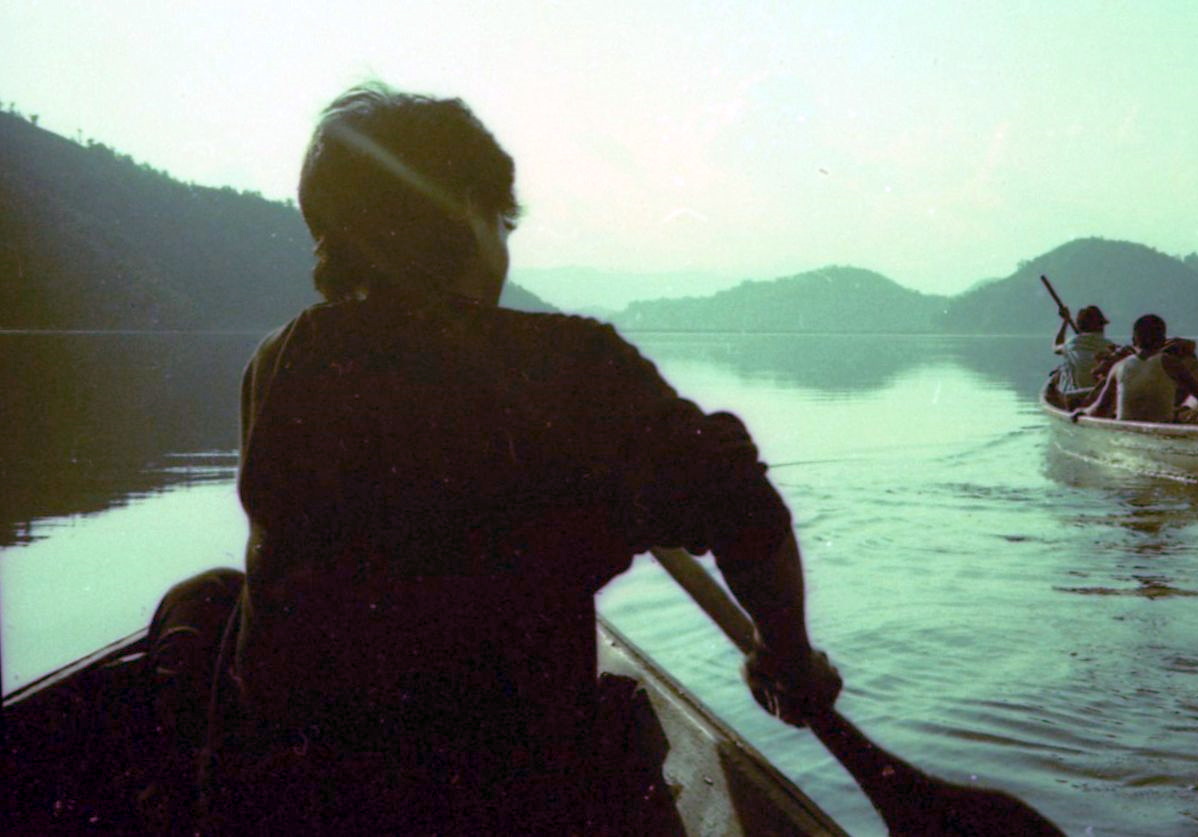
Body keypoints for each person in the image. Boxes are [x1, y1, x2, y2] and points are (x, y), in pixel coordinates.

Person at [144, 83, 841, 833]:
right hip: (506, 801)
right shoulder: (569, 366)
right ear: (472, 212)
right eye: (501, 220)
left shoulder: (280, 363)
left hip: (298, 802)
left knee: (207, 599)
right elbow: (746, 508)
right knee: (619, 727)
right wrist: (787, 656)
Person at [1079, 314, 1198, 422]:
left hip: (1126, 432)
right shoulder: (1172, 363)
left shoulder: (1118, 367)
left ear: (1133, 340)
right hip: (1161, 429)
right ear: (1163, 341)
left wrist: (1082, 412)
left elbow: (1099, 409)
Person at [1051, 304, 1117, 407]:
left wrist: (1066, 321)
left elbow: (1056, 346)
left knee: (1061, 372)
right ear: (1101, 326)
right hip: (1098, 397)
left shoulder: (1071, 343)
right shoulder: (1110, 346)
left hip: (1074, 398)